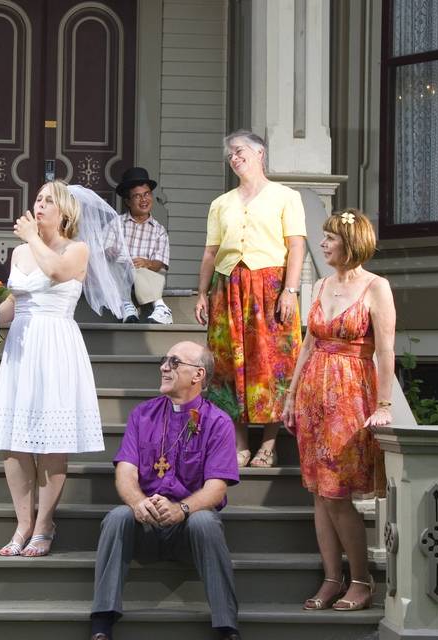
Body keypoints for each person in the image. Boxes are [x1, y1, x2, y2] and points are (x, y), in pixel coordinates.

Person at [281, 209, 395, 612]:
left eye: (330, 238)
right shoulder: (324, 284)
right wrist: (291, 395)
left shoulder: (376, 287)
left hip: (349, 396)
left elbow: (385, 350)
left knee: (335, 493)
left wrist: (383, 404)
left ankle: (361, 581)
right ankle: (332, 578)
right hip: (313, 394)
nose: (324, 243)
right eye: (324, 237)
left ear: (351, 243)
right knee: (318, 493)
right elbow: (308, 345)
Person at [89, 341, 242, 640]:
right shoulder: (142, 414)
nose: (163, 367)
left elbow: (217, 486)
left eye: (174, 362)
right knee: (118, 516)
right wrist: (138, 502)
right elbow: (125, 471)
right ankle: (102, 622)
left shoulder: (218, 422)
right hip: (145, 528)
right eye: (164, 361)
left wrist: (182, 509)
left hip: (189, 532)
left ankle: (227, 627)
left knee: (205, 521)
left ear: (198, 375)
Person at [0, 181, 107, 557]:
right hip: (21, 348)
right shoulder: (21, 252)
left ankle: (45, 524)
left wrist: (33, 237)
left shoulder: (77, 249)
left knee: (52, 443)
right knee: (14, 442)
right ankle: (23, 523)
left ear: (64, 212)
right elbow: (15, 298)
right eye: (37, 199)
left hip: (56, 345)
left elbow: (56, 272)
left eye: (47, 202)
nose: (39, 206)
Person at [194, 130, 306, 469]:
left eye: (239, 151)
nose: (234, 158)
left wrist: (290, 289)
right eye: (230, 155)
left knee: (275, 362)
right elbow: (211, 252)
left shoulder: (285, 196)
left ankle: (268, 444)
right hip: (227, 286)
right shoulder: (221, 203)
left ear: (260, 154)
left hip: (270, 287)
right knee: (227, 363)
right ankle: (240, 443)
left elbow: (297, 245)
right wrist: (201, 293)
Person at [114, 167, 173, 324]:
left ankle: (161, 308)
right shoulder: (116, 224)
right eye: (137, 196)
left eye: (147, 194)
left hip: (146, 279)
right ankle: (127, 304)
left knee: (142, 266)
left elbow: (160, 263)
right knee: (117, 262)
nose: (144, 199)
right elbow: (104, 251)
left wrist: (147, 263)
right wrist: (113, 253)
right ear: (127, 201)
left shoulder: (159, 230)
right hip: (120, 277)